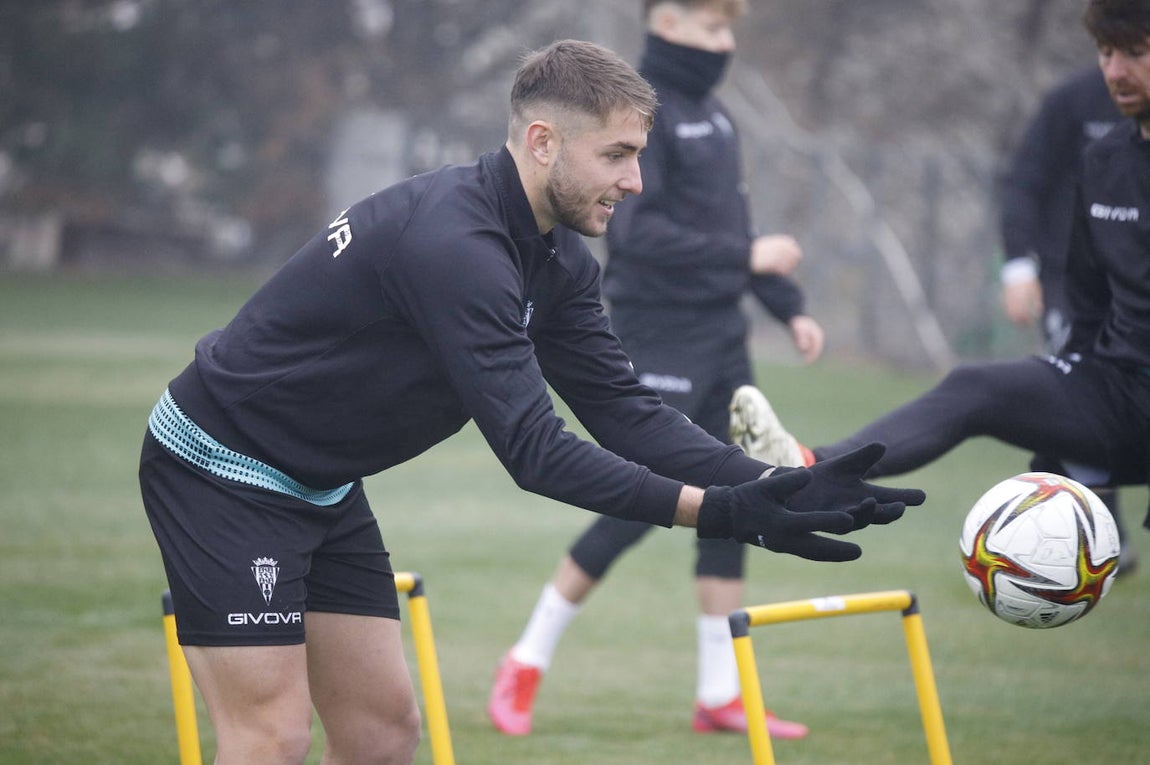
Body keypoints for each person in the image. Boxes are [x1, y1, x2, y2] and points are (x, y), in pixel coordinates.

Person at [138, 39, 924, 765]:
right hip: (223, 468)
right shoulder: (457, 247)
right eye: (616, 155)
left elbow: (624, 410)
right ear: (543, 141)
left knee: (381, 735)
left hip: (323, 482)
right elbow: (534, 451)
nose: (637, 181)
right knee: (272, 736)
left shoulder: (560, 262)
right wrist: (719, 511)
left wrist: (768, 484)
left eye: (639, 155)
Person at [488, 0, 826, 740]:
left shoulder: (722, 119)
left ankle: (719, 693)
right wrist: (746, 260)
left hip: (721, 338)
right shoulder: (637, 119)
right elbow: (639, 238)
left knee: (734, 494)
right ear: (666, 21)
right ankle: (525, 657)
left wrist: (786, 302)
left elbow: (732, 231)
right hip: (658, 334)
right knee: (637, 504)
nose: (725, 43)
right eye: (712, 28)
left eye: (731, 29)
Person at [734, 0, 1150, 577]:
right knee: (975, 384)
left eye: (1135, 52)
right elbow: (1086, 294)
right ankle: (808, 470)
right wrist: (1068, 398)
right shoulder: (1104, 161)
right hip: (1122, 389)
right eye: (1107, 53)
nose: (1115, 71)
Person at [997, 62, 1137, 573]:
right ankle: (1091, 534)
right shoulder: (1071, 100)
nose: (1120, 67)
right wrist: (1018, 268)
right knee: (1078, 385)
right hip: (1069, 280)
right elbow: (1023, 184)